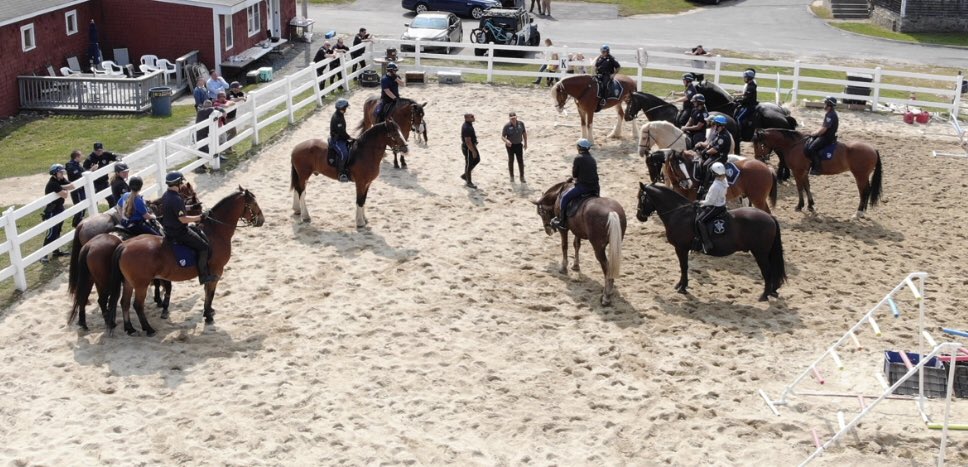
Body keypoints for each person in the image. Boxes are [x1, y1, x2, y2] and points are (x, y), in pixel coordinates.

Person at [160, 171, 217, 285]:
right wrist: (199, 217)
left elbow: (175, 209)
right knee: (203, 247)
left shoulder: (166, 195)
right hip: (179, 232)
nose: (182, 184)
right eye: (181, 182)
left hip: (168, 230)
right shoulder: (176, 198)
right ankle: (203, 276)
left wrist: (191, 206)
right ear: (177, 183)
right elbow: (183, 219)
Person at [550, 138, 599, 232]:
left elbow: (575, 174)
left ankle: (561, 220)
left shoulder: (578, 158)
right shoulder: (592, 159)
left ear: (579, 148)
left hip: (584, 187)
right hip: (595, 188)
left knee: (564, 197)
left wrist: (575, 178)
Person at [40, 164, 75, 263]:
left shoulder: (60, 181)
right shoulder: (52, 183)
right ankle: (44, 255)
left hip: (59, 208)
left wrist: (62, 187)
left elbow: (72, 186)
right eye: (60, 172)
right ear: (55, 173)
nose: (62, 173)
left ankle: (56, 251)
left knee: (58, 230)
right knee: (51, 233)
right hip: (52, 211)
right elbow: (65, 195)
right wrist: (64, 188)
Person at [694, 115, 732, 197]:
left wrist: (705, 153)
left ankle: (705, 187)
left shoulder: (723, 136)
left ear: (720, 125)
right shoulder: (718, 133)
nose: (714, 126)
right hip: (715, 154)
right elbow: (711, 144)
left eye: (715, 124)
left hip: (720, 156)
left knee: (706, 166)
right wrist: (705, 149)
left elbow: (715, 150)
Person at [695, 162, 728, 254]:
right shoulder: (724, 181)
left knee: (699, 221)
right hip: (722, 204)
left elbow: (710, 202)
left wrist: (699, 202)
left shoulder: (715, 186)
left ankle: (707, 243)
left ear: (713, 174)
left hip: (715, 207)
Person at [805, 96, 839, 175]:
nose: (824, 104)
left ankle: (817, 168)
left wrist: (815, 133)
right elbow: (823, 127)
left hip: (827, 137)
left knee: (811, 149)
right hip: (826, 135)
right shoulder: (830, 113)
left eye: (825, 103)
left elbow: (824, 129)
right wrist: (814, 132)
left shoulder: (830, 115)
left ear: (829, 105)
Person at [330, 98, 355, 183]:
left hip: (341, 138)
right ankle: (341, 173)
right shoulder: (337, 118)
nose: (346, 109)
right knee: (344, 154)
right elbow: (342, 133)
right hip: (336, 141)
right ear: (342, 108)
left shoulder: (340, 114)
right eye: (345, 107)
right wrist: (349, 137)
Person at [501, 111, 528, 183]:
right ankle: (511, 176)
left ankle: (522, 177)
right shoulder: (507, 126)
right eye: (511, 118)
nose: (513, 119)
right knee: (511, 160)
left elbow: (524, 133)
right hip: (510, 146)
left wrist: (525, 143)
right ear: (509, 119)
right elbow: (502, 136)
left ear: (516, 117)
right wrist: (506, 141)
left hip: (519, 145)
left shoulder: (521, 124)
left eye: (514, 118)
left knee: (520, 161)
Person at [65, 149, 86, 228]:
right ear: (76, 157)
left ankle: (78, 224)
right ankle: (76, 224)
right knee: (79, 208)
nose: (82, 157)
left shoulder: (78, 165)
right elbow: (78, 175)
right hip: (76, 190)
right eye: (80, 156)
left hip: (81, 189)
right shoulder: (70, 165)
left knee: (83, 207)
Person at [460, 113, 480, 189]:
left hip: (471, 146)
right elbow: (468, 141)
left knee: (477, 159)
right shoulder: (466, 127)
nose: (473, 117)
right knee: (469, 164)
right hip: (468, 148)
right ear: (466, 118)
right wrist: (473, 151)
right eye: (471, 117)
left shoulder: (469, 125)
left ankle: (465, 175)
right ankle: (469, 182)